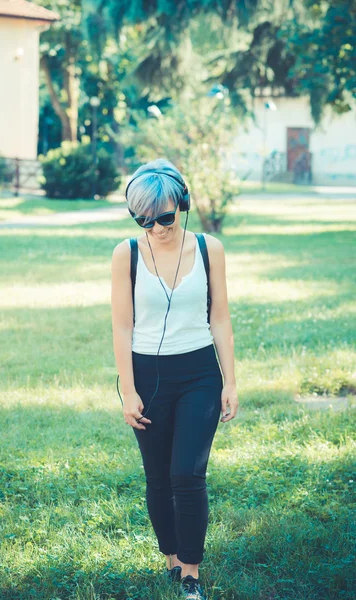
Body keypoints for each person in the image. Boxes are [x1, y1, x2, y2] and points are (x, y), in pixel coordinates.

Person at [111, 158, 238, 600]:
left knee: (188, 472)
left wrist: (230, 381)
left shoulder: (209, 249)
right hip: (147, 375)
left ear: (182, 205)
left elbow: (219, 318)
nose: (157, 227)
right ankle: (170, 559)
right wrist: (128, 389)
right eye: (143, 219)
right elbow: (122, 326)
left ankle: (191, 573)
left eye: (165, 216)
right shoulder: (126, 253)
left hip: (200, 372)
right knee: (158, 477)